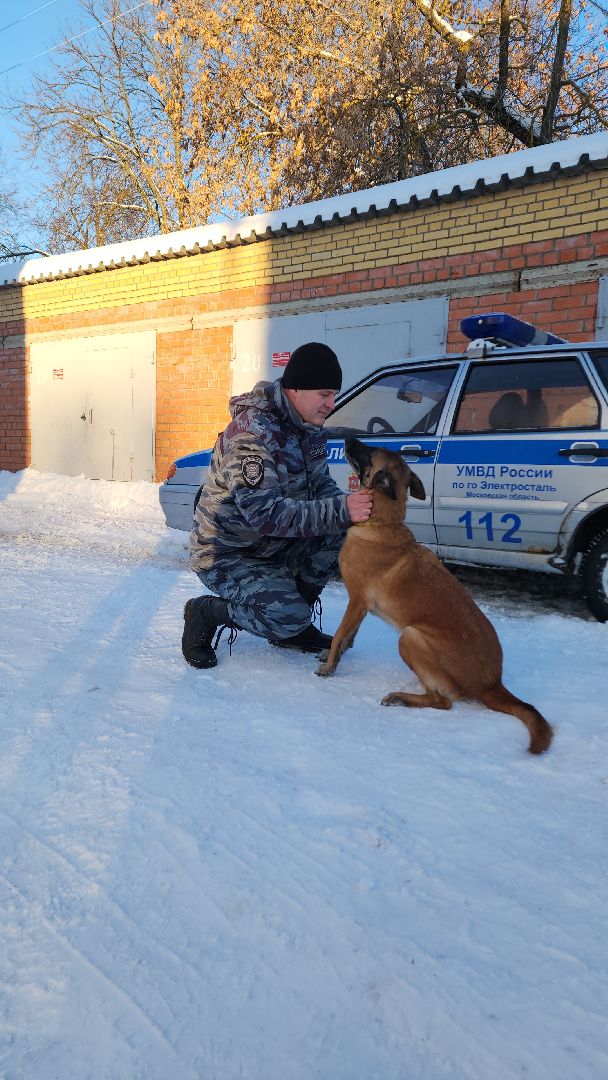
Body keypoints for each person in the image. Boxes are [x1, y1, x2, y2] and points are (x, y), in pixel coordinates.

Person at [182, 341, 373, 668]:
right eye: (324, 394)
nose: (332, 403)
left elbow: (320, 484)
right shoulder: (252, 435)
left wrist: (350, 509)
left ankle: (291, 627)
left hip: (275, 545)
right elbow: (266, 516)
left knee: (345, 535)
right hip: (228, 554)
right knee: (285, 614)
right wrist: (342, 510)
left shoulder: (309, 429)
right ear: (295, 389)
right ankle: (205, 613)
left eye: (334, 394)